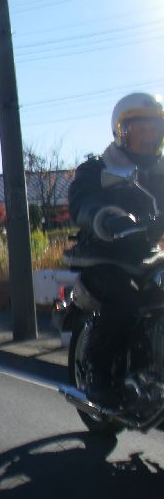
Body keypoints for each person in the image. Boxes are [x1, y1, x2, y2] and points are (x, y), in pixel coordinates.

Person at [68, 92, 164, 406]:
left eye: (154, 130)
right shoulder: (99, 168)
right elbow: (82, 202)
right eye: (141, 130)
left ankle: (152, 366)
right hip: (105, 255)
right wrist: (107, 218)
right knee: (124, 299)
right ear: (122, 131)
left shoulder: (161, 172)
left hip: (148, 255)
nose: (148, 137)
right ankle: (97, 373)